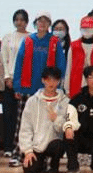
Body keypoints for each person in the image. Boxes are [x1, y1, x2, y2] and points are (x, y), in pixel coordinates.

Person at [11, 14, 66, 164]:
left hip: (49, 90)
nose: (42, 23)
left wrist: (58, 85)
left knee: (47, 123)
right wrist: (17, 86)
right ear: (35, 23)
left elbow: (61, 65)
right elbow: (19, 63)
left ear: (49, 24)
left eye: (45, 21)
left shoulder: (54, 42)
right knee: (23, 123)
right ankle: (19, 154)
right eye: (39, 21)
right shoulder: (27, 40)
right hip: (28, 88)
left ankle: (46, 156)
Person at [18, 66, 69, 173]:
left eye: (55, 80)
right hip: (36, 145)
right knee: (30, 171)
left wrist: (56, 119)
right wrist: (28, 151)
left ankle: (54, 165)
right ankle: (41, 163)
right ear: (43, 80)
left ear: (59, 81)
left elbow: (65, 128)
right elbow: (25, 128)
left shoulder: (65, 102)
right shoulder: (32, 101)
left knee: (59, 145)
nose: (51, 83)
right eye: (48, 79)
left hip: (54, 143)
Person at [0, 9, 29, 158]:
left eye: (22, 19)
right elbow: (3, 59)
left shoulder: (31, 38)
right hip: (9, 82)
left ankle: (21, 146)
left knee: (23, 117)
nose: (19, 22)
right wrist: (7, 77)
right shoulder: (7, 37)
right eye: (16, 19)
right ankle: (8, 147)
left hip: (25, 83)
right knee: (8, 116)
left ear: (27, 22)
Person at [65, 15, 93, 98]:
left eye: (89, 29)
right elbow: (69, 69)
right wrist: (67, 89)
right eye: (84, 29)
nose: (87, 31)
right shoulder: (74, 46)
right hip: (76, 86)